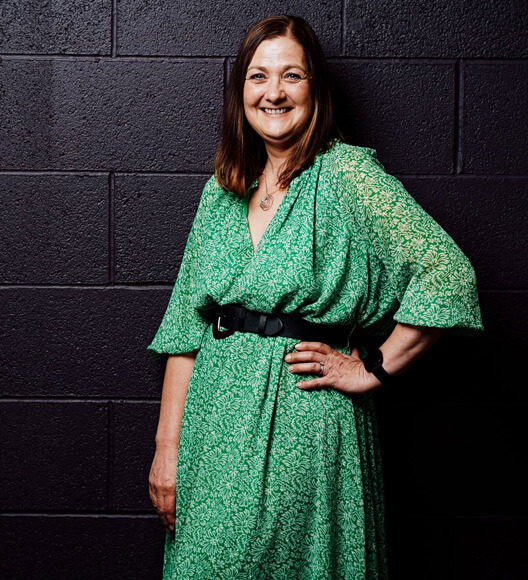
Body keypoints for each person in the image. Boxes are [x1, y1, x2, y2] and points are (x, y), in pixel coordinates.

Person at [147, 14, 484, 580]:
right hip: (211, 430)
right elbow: (186, 328)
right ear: (240, 91)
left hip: (306, 424)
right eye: (258, 76)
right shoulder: (221, 189)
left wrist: (372, 368)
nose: (273, 92)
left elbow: (448, 275)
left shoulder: (348, 174)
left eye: (292, 76)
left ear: (315, 88)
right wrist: (167, 450)